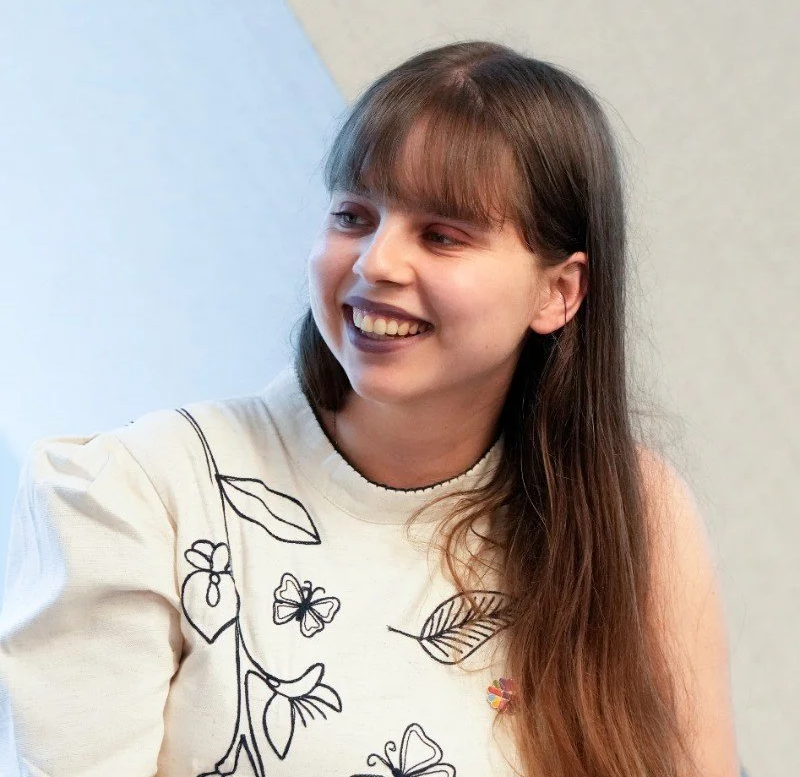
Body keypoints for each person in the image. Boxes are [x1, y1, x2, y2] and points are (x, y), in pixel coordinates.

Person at [0, 40, 739, 777]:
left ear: (558, 293)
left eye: (442, 236)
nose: (376, 262)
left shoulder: (633, 512)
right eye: (354, 216)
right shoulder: (140, 493)